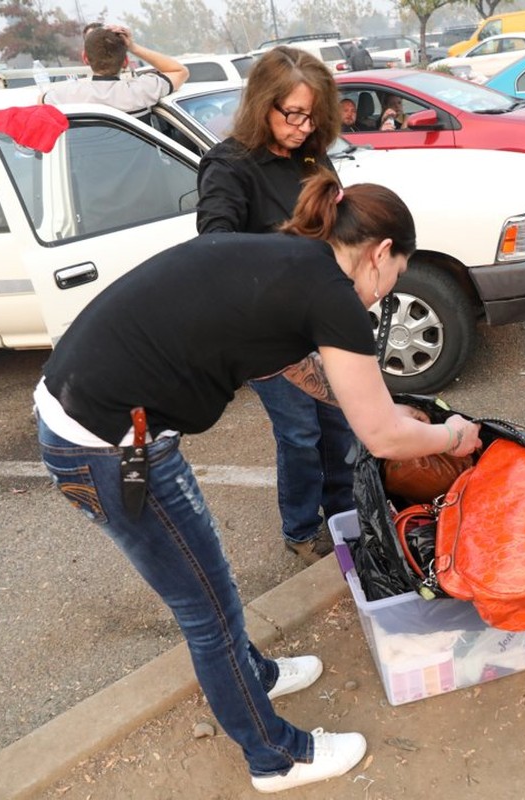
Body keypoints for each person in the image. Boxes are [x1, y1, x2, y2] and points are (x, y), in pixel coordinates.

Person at [34, 171, 483, 793]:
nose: (384, 296)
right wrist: (450, 435)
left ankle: (254, 674)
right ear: (381, 253)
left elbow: (296, 365)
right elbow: (381, 440)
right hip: (107, 446)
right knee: (206, 608)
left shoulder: (294, 260)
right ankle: (275, 757)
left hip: (99, 416)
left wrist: (388, 408)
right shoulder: (331, 294)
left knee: (208, 572)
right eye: (396, 277)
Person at [195, 47, 355, 565]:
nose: (304, 126)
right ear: (263, 104)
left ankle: (345, 516)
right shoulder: (229, 166)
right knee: (301, 432)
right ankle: (303, 530)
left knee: (339, 425)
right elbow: (213, 246)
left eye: (314, 115)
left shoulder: (311, 154)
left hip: (320, 321)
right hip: (264, 332)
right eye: (293, 114)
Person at [41, 24, 188, 117]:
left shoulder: (66, 95)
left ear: (85, 58)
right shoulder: (141, 90)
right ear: (125, 62)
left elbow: (41, 100)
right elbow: (180, 71)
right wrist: (133, 47)